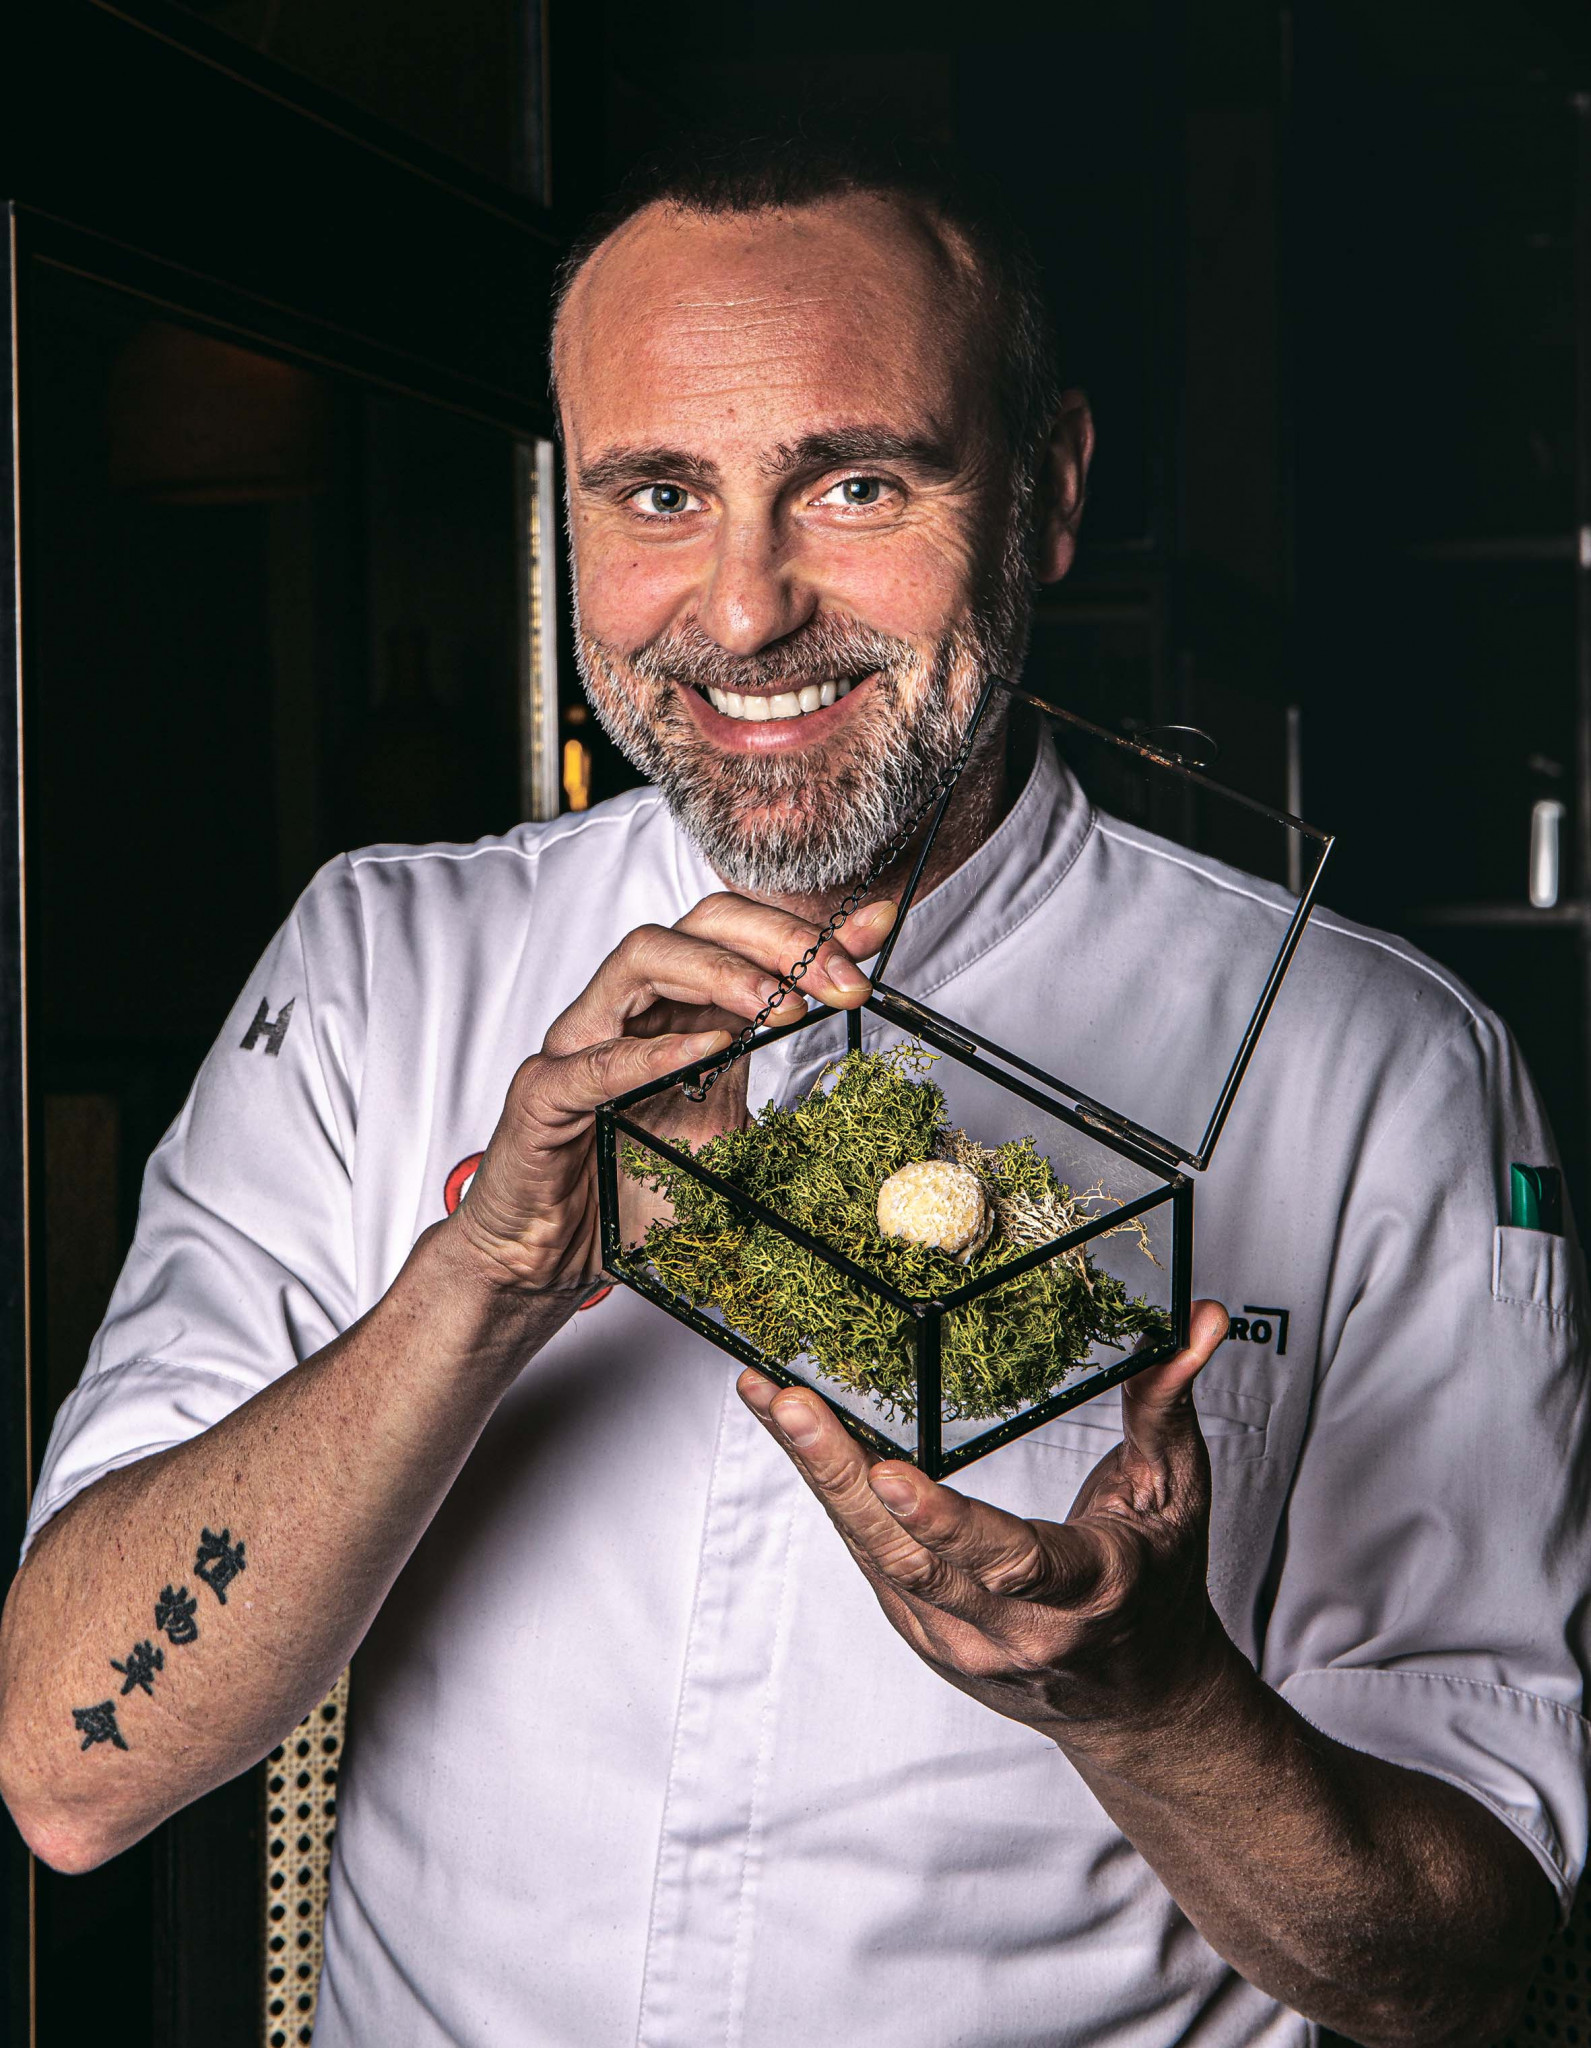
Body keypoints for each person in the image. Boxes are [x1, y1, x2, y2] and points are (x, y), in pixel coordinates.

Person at [1, 134, 1585, 2048]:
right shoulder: (377, 968)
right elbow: (69, 1772)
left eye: (856, 485)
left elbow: (1460, 1975)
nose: (744, 614)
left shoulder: (1374, 1060)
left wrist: (1153, 1708)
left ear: (1048, 494)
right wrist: (484, 1281)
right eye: (661, 493)